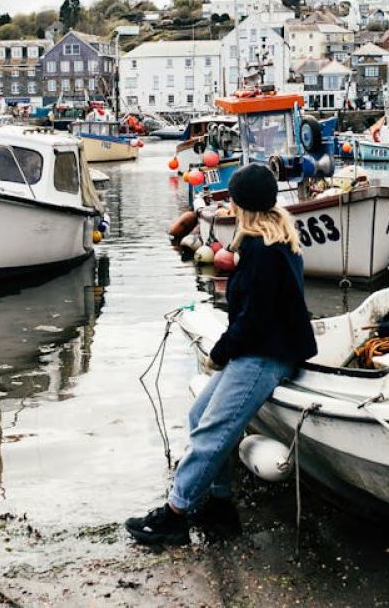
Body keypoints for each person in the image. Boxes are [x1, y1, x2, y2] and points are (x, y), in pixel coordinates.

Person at [125, 164, 316, 545]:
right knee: (200, 415)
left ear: (241, 204)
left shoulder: (263, 251)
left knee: (213, 431)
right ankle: (218, 503)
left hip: (264, 354)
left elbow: (254, 319)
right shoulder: (274, 242)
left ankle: (176, 513)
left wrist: (221, 351)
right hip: (264, 348)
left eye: (232, 199)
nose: (228, 204)